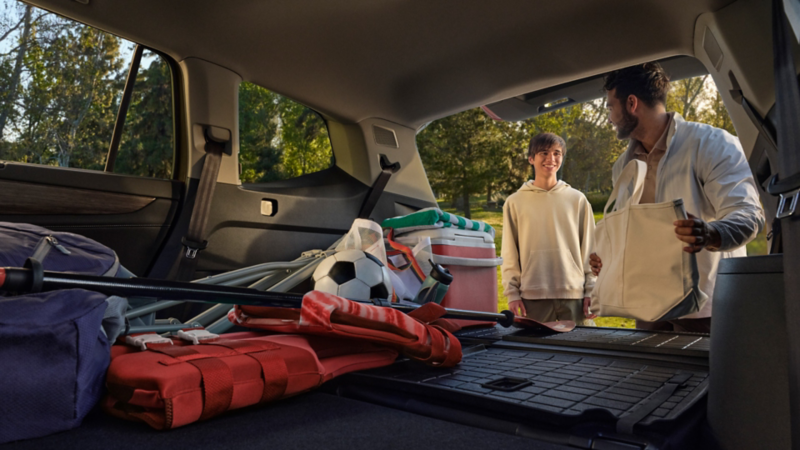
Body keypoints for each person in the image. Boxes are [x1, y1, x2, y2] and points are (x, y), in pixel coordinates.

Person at [590, 62, 764, 333]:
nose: (610, 117)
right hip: (646, 307)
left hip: (704, 308)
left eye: (611, 107)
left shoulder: (713, 144)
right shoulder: (622, 168)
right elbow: (630, 234)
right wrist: (606, 256)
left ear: (631, 103)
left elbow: (748, 214)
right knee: (645, 377)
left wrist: (711, 233)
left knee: (701, 377)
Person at [501, 132, 597, 325]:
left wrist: (592, 291)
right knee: (537, 353)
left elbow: (590, 249)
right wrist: (512, 294)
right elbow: (509, 252)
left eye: (557, 153)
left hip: (573, 294)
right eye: (543, 153)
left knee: (581, 352)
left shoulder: (577, 200)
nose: (551, 159)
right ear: (531, 158)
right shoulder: (515, 202)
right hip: (532, 297)